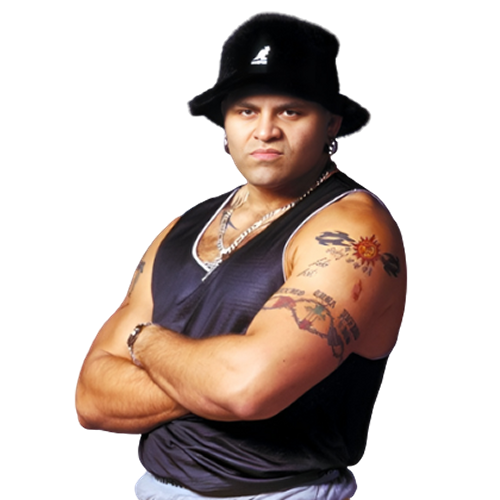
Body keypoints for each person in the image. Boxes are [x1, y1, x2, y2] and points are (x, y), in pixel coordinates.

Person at [75, 12, 407, 500]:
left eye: (291, 111)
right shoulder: (183, 227)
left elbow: (246, 389)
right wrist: (212, 377)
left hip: (280, 493)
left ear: (331, 124)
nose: (266, 130)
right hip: (154, 489)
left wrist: (144, 341)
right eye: (247, 111)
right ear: (226, 123)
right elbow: (91, 398)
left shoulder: (354, 229)